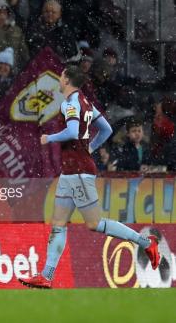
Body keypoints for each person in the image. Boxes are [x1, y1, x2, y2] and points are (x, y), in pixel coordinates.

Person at [18, 66, 159, 289]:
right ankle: (46, 275)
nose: (60, 77)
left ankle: (146, 243)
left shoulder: (70, 103)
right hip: (70, 171)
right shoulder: (85, 102)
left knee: (94, 223)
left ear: (67, 80)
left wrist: (49, 137)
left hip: (79, 172)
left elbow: (73, 132)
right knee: (58, 224)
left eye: (62, 74)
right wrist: (90, 148)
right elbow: (106, 130)